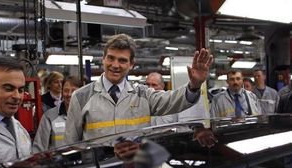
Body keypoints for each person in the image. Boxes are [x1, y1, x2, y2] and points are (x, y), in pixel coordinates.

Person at [65, 34, 213, 143]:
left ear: (131, 65)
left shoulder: (143, 95)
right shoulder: (81, 97)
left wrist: (194, 85)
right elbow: (70, 145)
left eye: (122, 60)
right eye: (111, 58)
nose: (115, 65)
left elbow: (172, 100)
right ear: (103, 59)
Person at [33, 76, 82, 152]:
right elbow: (39, 148)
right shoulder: (49, 116)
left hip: (85, 163)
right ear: (62, 92)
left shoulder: (87, 114)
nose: (69, 94)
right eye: (66, 90)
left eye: (73, 91)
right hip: (58, 163)